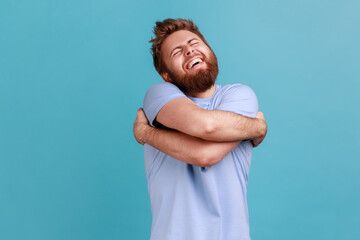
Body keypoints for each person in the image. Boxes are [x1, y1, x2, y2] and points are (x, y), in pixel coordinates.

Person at [133, 18, 267, 240]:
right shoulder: (158, 95)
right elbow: (205, 136)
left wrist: (145, 133)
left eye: (194, 43)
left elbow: (207, 142)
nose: (189, 51)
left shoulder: (240, 95)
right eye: (177, 52)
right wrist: (256, 126)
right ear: (166, 77)